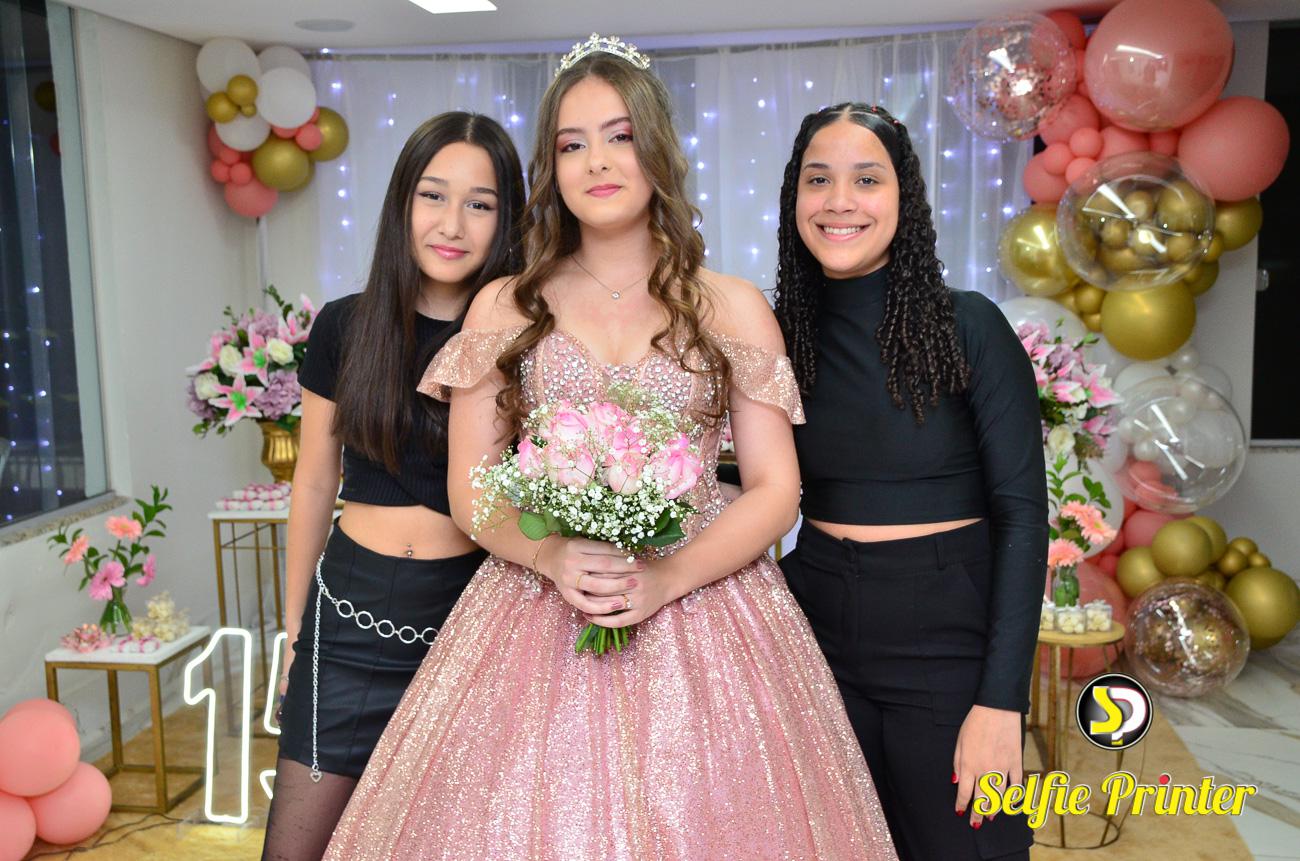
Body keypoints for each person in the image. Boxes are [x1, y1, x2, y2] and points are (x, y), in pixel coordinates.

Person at [324, 37, 897, 860]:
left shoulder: (731, 305)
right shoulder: (505, 304)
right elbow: (473, 488)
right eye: (572, 143)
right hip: (537, 605)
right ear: (551, 167)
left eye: (619, 136)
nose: (596, 160)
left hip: (708, 607)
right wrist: (549, 553)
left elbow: (777, 489)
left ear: (657, 147)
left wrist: (666, 576)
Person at [773, 102, 1047, 860]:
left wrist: (1002, 701)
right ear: (794, 196)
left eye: (867, 179)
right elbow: (750, 480)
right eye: (818, 179)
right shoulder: (777, 335)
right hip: (817, 630)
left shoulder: (969, 326)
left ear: (905, 197)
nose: (839, 201)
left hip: (948, 638)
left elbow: (1023, 516)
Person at [262, 112, 526, 861]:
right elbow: (314, 481)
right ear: (402, 203)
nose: (452, 224)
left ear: (507, 218)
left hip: (470, 623)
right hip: (346, 621)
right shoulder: (344, 326)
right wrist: (294, 630)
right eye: (432, 195)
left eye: (480, 203)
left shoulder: (520, 337)